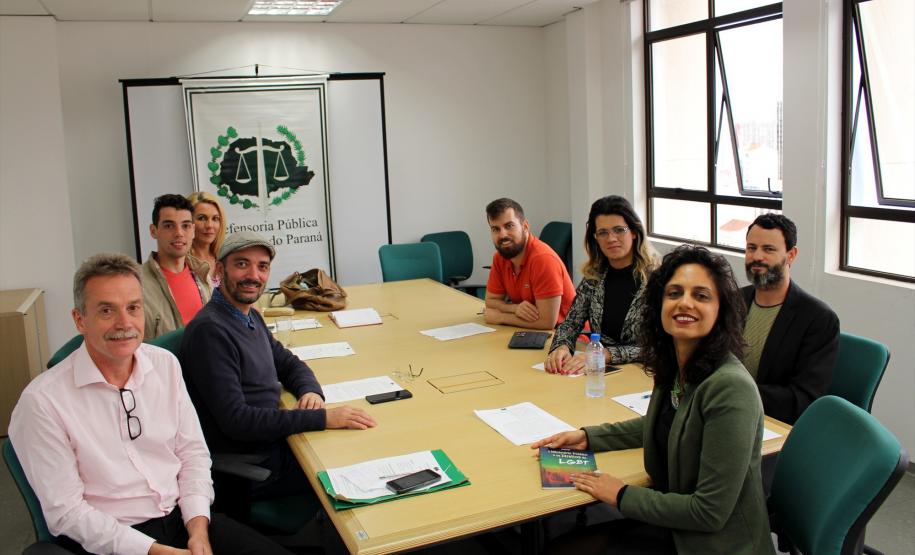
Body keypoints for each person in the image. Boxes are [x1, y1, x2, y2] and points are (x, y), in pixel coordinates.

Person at [8, 253, 290, 555]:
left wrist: (198, 530)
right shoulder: (42, 402)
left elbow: (192, 454)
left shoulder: (164, 365)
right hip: (113, 542)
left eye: (133, 308)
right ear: (80, 320)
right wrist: (155, 550)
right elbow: (67, 514)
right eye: (106, 310)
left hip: (185, 520)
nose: (124, 323)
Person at [533, 245, 774, 555]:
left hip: (717, 544)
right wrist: (588, 437)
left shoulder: (731, 389)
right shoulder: (676, 363)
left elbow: (709, 512)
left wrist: (620, 494)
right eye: (674, 293)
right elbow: (667, 422)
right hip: (677, 527)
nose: (684, 303)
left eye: (701, 296)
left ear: (721, 310)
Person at [179, 231, 376, 503]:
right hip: (253, 463)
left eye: (262, 266)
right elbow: (238, 421)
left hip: (274, 442)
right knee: (354, 468)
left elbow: (288, 363)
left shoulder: (247, 316)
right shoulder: (211, 331)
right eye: (242, 264)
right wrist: (324, 418)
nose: (253, 275)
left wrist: (311, 392)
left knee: (359, 446)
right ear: (220, 270)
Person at [743, 213, 839, 424]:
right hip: (726, 413)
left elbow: (802, 400)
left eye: (768, 249)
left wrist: (734, 391)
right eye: (751, 248)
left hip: (775, 425)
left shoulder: (818, 319)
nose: (757, 256)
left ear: (791, 255)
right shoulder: (734, 301)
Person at [545, 196, 659, 374]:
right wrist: (561, 347)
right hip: (600, 372)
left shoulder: (657, 279)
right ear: (595, 238)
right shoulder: (594, 277)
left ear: (634, 232)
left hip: (644, 374)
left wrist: (606, 354)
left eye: (619, 230)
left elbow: (660, 344)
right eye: (603, 232)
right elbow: (570, 324)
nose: (611, 238)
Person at [483, 198, 575, 330]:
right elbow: (490, 302)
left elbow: (547, 322)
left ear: (525, 226)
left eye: (509, 226)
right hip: (532, 331)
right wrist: (515, 308)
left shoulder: (543, 260)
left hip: (570, 337)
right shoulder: (500, 257)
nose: (503, 235)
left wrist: (501, 317)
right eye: (495, 229)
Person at [142, 194, 212, 340]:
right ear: (153, 231)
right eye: (169, 226)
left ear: (193, 230)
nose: (179, 233)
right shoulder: (136, 283)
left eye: (185, 226)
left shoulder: (204, 276)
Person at [187, 191, 226, 288]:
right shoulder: (182, 263)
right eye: (202, 218)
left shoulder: (226, 259)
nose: (209, 225)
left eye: (215, 219)